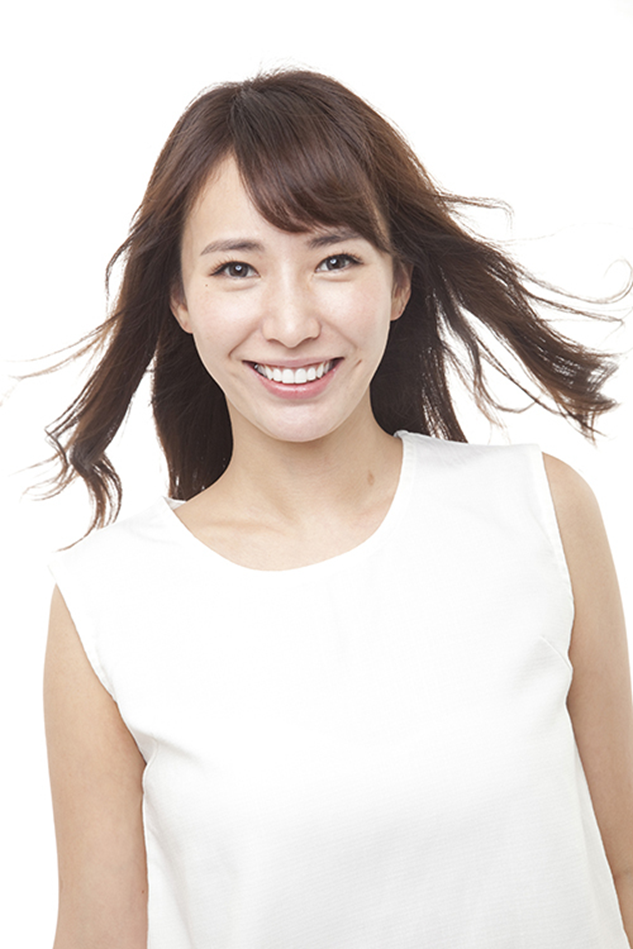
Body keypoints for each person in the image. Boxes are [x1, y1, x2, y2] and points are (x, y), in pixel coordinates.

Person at [43, 69, 633, 948]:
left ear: (397, 281)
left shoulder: (539, 511)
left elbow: (622, 868)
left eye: (334, 260)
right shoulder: (108, 602)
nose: (290, 322)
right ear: (180, 299)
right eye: (236, 268)